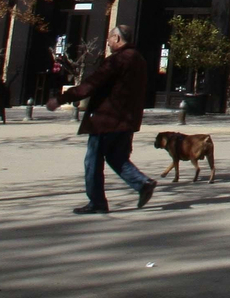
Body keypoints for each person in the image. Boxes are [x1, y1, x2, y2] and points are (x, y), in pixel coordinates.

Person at [48, 24, 156, 214]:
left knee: (93, 161)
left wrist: (60, 99)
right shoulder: (139, 59)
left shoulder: (117, 60)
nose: (107, 42)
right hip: (127, 120)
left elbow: (91, 85)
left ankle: (97, 201)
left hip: (106, 120)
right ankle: (142, 183)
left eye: (109, 38)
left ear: (117, 39)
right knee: (116, 157)